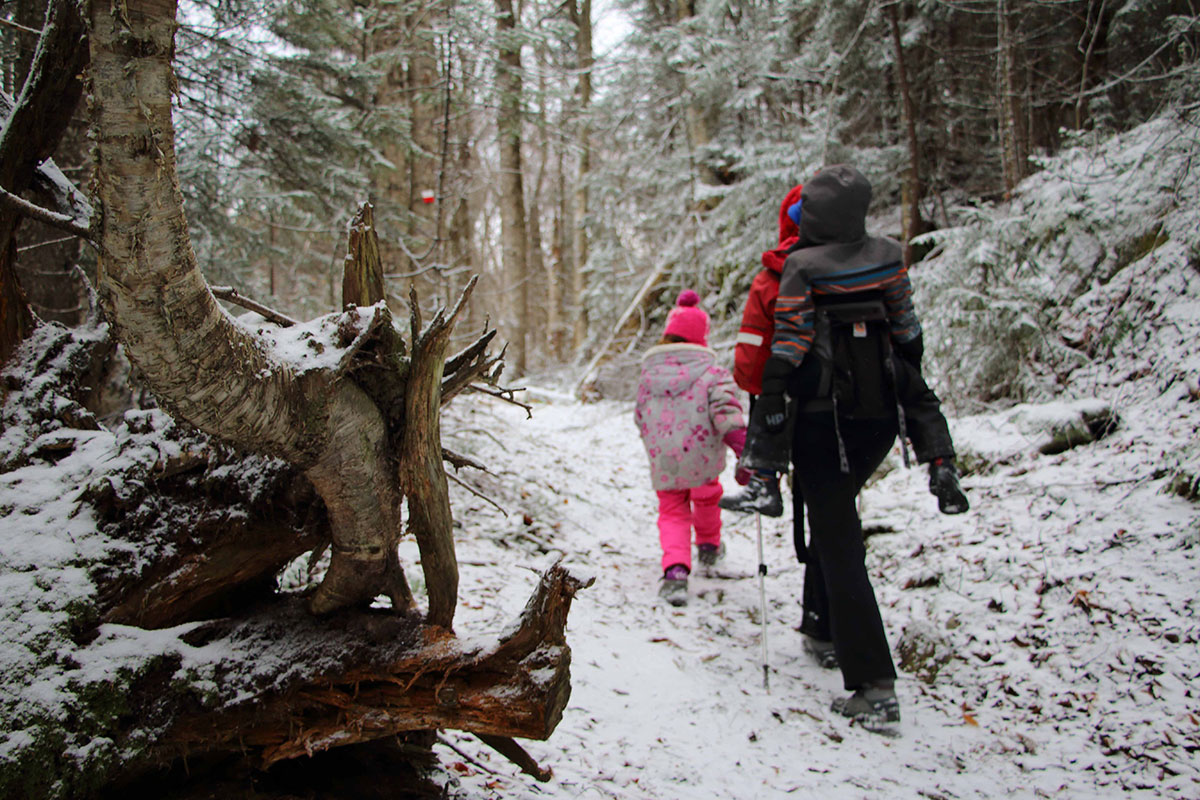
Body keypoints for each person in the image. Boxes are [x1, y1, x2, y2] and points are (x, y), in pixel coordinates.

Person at [739, 165, 963, 731]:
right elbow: (908, 332)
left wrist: (772, 400)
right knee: (832, 514)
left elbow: (790, 344)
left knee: (840, 541)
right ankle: (821, 627)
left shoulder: (798, 267)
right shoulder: (887, 256)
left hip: (822, 422)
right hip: (879, 418)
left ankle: (875, 686)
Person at [722, 183, 969, 518]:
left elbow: (774, 346)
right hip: (880, 376)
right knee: (920, 398)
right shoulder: (882, 257)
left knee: (775, 389)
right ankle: (941, 463)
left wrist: (770, 385)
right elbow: (904, 318)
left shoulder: (786, 270)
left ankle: (764, 479)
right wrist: (910, 357)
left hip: (818, 395)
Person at [634, 290, 748, 607]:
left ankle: (675, 572)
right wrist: (741, 445)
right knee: (707, 497)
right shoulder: (713, 373)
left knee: (672, 510)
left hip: (664, 457)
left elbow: (640, 414)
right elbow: (726, 412)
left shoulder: (649, 374)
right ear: (701, 336)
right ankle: (709, 547)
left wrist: (655, 440)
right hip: (702, 455)